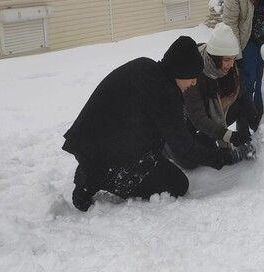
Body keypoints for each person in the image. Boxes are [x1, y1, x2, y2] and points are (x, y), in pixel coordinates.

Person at [63, 36, 207, 212]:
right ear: (179, 71)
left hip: (86, 140)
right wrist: (223, 157)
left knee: (155, 156)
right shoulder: (166, 94)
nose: (194, 82)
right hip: (106, 153)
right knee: (178, 185)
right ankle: (95, 178)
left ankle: (94, 167)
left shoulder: (145, 66)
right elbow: (183, 148)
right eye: (192, 77)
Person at [171, 23, 259, 170]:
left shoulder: (230, 67)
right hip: (188, 120)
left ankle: (244, 141)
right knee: (190, 162)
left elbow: (241, 94)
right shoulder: (193, 72)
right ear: (214, 57)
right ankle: (168, 148)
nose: (231, 64)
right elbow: (198, 118)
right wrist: (229, 136)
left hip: (211, 115)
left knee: (240, 107)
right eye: (226, 60)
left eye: (233, 59)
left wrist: (257, 123)